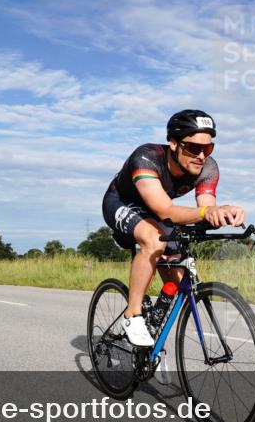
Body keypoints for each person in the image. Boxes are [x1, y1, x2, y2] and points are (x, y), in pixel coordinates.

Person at [102, 110, 245, 346]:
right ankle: (133, 314)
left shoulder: (208, 169)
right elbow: (165, 211)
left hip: (157, 210)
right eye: (193, 148)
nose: (201, 156)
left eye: (207, 149)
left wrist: (223, 212)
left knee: (180, 283)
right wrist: (205, 213)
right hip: (122, 203)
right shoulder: (147, 158)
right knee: (154, 239)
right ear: (174, 143)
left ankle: (152, 334)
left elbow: (206, 210)